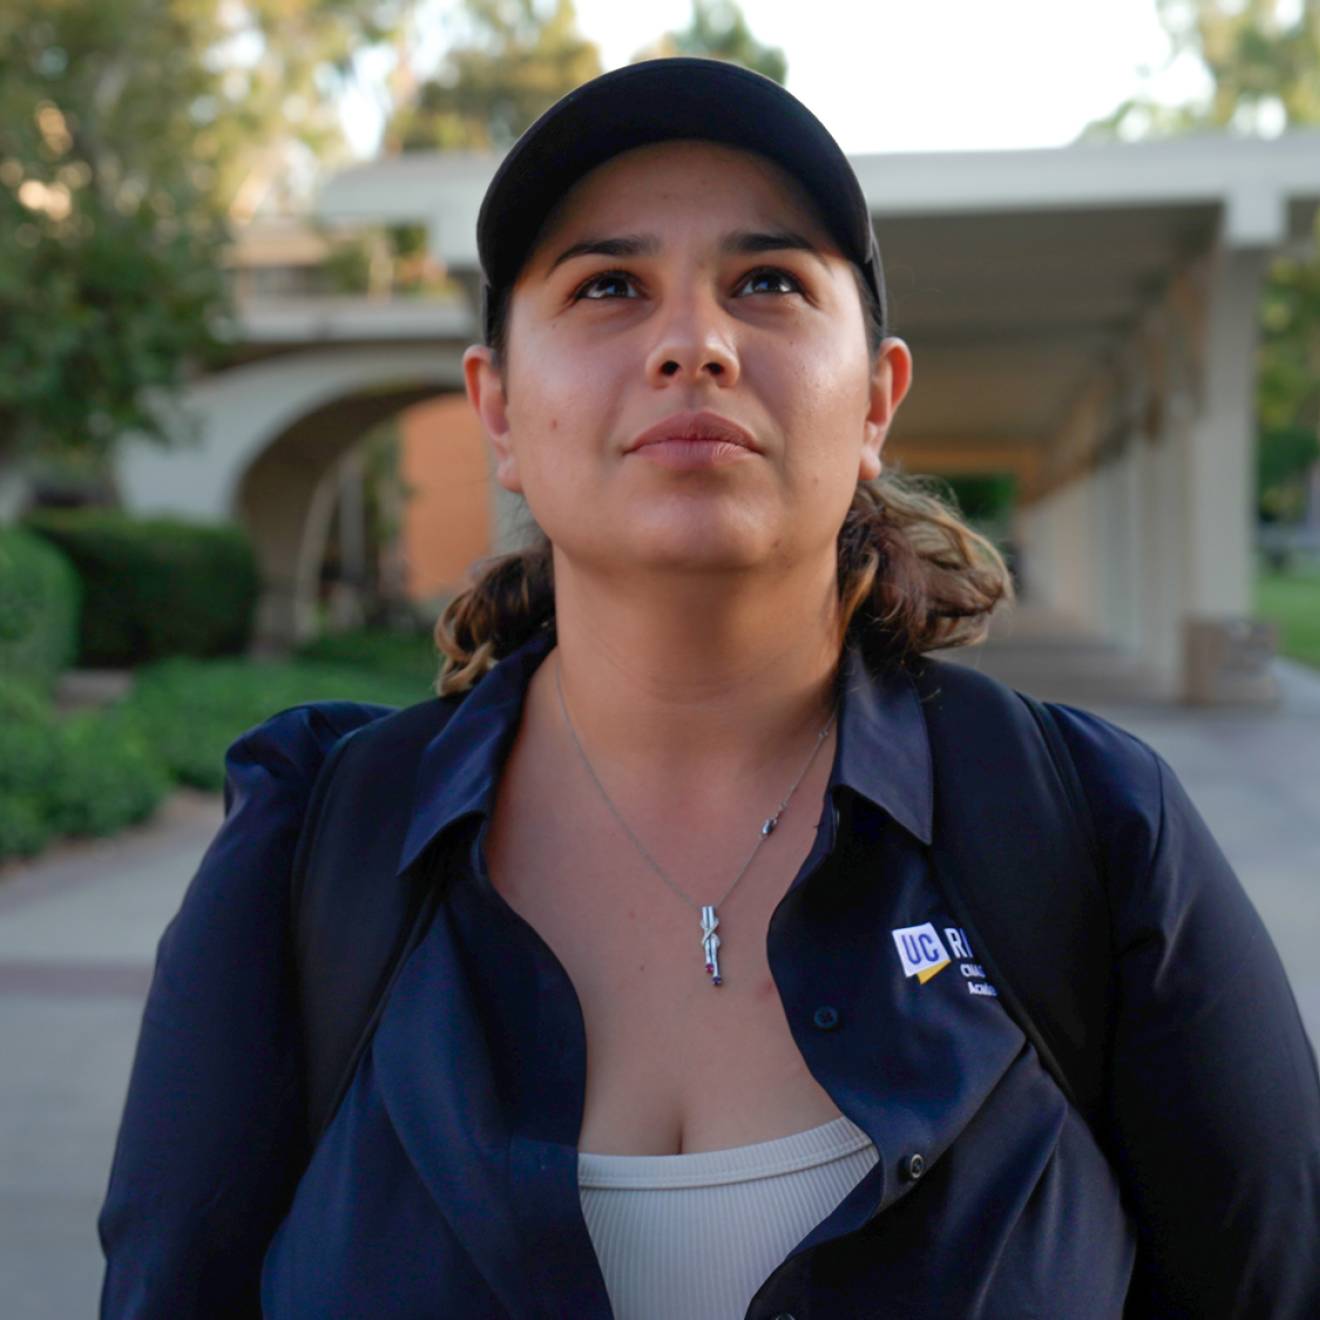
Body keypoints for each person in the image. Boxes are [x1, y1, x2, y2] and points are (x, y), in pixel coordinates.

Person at [99, 58, 1320, 1319]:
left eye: (770, 284)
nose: (695, 343)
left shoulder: (1095, 836)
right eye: (610, 286)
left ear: (876, 404)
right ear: (500, 409)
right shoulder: (317, 852)